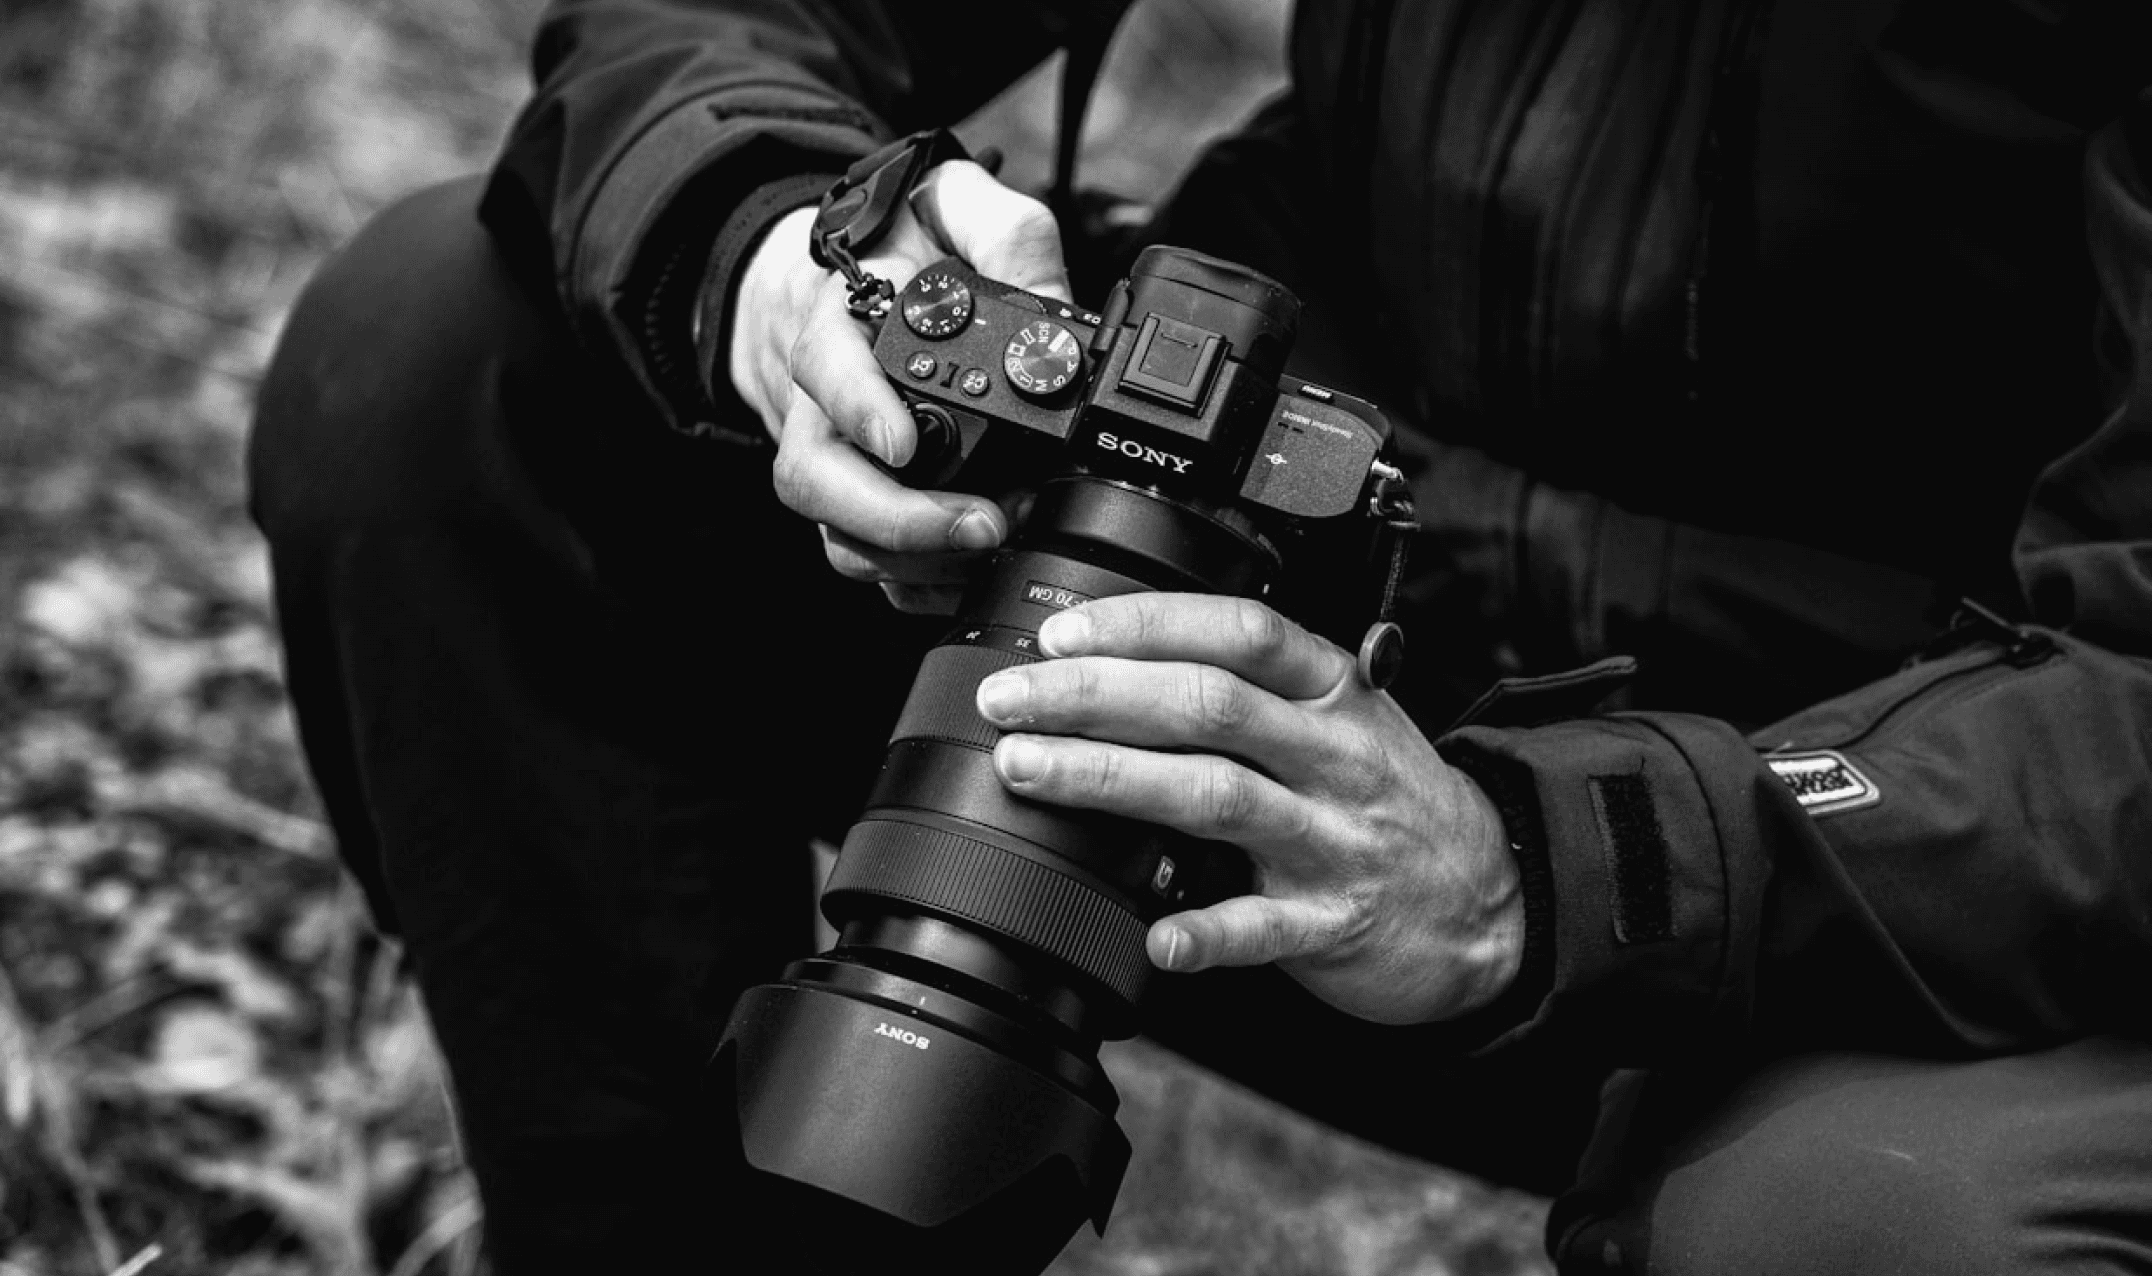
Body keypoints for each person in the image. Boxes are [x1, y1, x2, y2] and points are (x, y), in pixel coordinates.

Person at [248, 1, 2152, 1271]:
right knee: (450, 369)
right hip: (1327, 614)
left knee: (1870, 1228)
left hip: (1917, 839)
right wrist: (774, 254)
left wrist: (1538, 874)